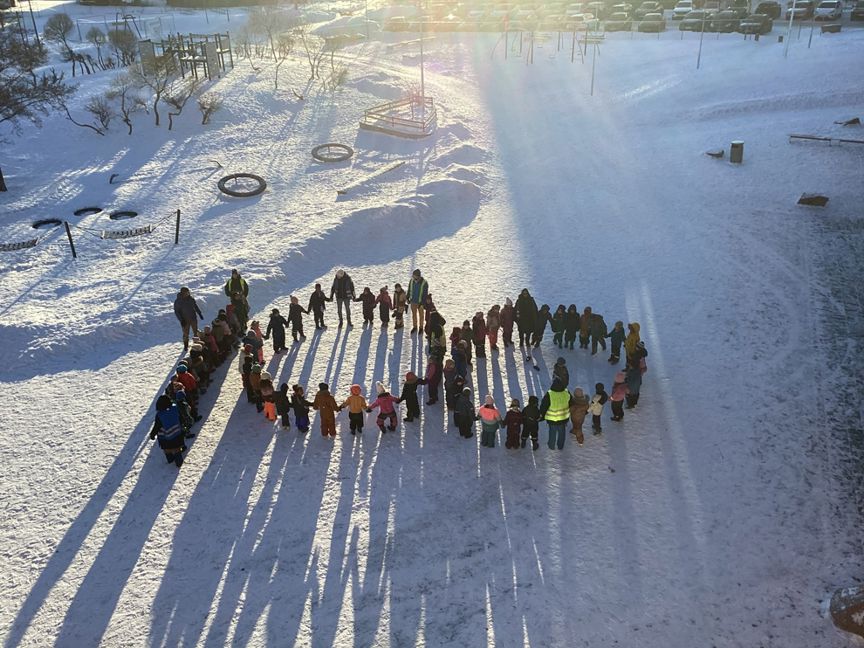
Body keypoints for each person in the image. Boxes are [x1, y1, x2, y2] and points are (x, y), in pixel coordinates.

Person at [150, 395, 187, 467]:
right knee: (177, 448)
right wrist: (184, 423)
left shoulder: (160, 415)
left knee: (167, 449)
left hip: (165, 438)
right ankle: (179, 462)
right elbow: (180, 418)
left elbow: (157, 426)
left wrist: (152, 434)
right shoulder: (175, 408)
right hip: (177, 433)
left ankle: (170, 459)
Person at [540, 378, 573, 450]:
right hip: (563, 418)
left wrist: (541, 416)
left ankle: (551, 445)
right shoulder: (567, 392)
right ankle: (560, 446)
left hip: (552, 419)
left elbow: (544, 406)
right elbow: (571, 403)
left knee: (552, 432)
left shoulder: (549, 394)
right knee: (562, 433)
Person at [407, 269, 429, 333]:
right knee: (414, 315)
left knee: (421, 316)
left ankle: (421, 328)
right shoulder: (411, 281)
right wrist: (407, 297)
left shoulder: (424, 283)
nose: (413, 276)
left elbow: (425, 294)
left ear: (418, 276)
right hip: (413, 301)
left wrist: (422, 303)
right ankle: (415, 326)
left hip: (420, 303)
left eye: (414, 275)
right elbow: (409, 289)